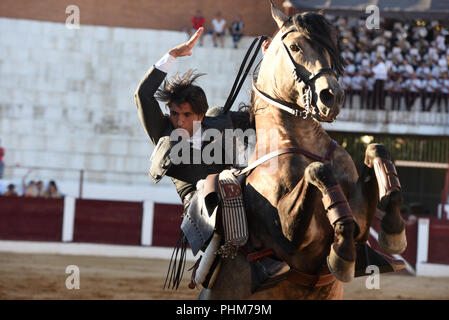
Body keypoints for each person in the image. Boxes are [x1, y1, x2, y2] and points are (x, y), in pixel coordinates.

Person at [134, 27, 257, 288]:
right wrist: (171, 56)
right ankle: (206, 266)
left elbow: (261, 118)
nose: (179, 120)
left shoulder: (221, 121)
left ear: (200, 115)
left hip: (233, 186)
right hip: (197, 200)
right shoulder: (162, 131)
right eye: (175, 113)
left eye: (186, 115)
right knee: (218, 188)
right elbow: (142, 95)